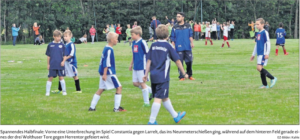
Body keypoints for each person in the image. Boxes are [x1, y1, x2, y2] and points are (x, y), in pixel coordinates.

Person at [144, 24, 188, 125]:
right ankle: (151, 121)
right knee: (158, 98)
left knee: (164, 97)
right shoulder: (168, 46)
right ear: (167, 35)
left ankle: (175, 116)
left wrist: (146, 74)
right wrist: (183, 73)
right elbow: (177, 60)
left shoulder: (153, 45)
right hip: (162, 77)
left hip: (153, 76)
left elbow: (149, 60)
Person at [88, 32, 126, 112]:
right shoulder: (109, 49)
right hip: (109, 72)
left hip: (103, 72)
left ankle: (92, 107)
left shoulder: (106, 47)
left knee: (101, 88)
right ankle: (116, 108)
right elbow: (106, 62)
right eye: (116, 39)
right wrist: (105, 74)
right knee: (119, 87)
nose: (117, 40)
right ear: (112, 40)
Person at [128, 26, 152, 107]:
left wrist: (148, 66)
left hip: (142, 66)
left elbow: (148, 54)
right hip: (136, 66)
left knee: (142, 84)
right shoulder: (134, 43)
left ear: (138, 34)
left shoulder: (142, 42)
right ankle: (152, 91)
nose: (131, 36)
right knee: (135, 83)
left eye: (133, 34)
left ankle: (146, 103)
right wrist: (131, 64)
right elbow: (134, 55)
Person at [250, 18, 277, 89]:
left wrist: (267, 53)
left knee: (259, 68)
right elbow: (256, 44)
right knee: (261, 69)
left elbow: (268, 43)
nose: (256, 26)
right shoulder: (258, 33)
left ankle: (273, 78)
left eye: (258, 24)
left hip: (263, 53)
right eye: (256, 24)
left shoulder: (265, 32)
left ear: (263, 24)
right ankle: (265, 85)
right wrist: (253, 54)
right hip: (259, 53)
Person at [52, 30, 82, 94]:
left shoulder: (71, 44)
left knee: (75, 75)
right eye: (64, 36)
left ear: (70, 36)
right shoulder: (65, 44)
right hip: (65, 63)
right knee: (61, 75)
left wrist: (65, 58)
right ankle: (60, 89)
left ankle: (78, 90)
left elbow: (72, 54)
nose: (65, 37)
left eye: (66, 36)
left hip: (71, 63)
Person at [170, 12, 195, 81]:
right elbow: (172, 37)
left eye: (179, 16)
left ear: (183, 17)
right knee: (180, 62)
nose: (177, 18)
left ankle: (190, 75)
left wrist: (192, 43)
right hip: (179, 47)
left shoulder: (188, 26)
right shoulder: (175, 27)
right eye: (177, 16)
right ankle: (181, 76)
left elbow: (190, 35)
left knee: (189, 61)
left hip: (187, 47)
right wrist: (173, 45)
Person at [45, 30, 67, 96]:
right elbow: (48, 56)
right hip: (52, 65)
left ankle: (64, 91)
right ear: (53, 37)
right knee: (50, 77)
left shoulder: (62, 45)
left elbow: (65, 55)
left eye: (60, 37)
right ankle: (47, 92)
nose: (59, 38)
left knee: (61, 77)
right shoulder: (50, 45)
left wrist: (63, 61)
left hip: (60, 65)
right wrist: (48, 64)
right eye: (57, 37)